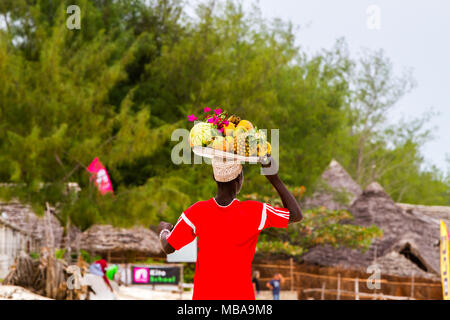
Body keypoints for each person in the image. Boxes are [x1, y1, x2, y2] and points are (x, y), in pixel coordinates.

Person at [158, 156, 302, 300]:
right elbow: (295, 215)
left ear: (215, 177)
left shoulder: (196, 212)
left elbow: (168, 246)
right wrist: (273, 178)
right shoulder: (255, 212)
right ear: (239, 179)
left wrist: (164, 229)